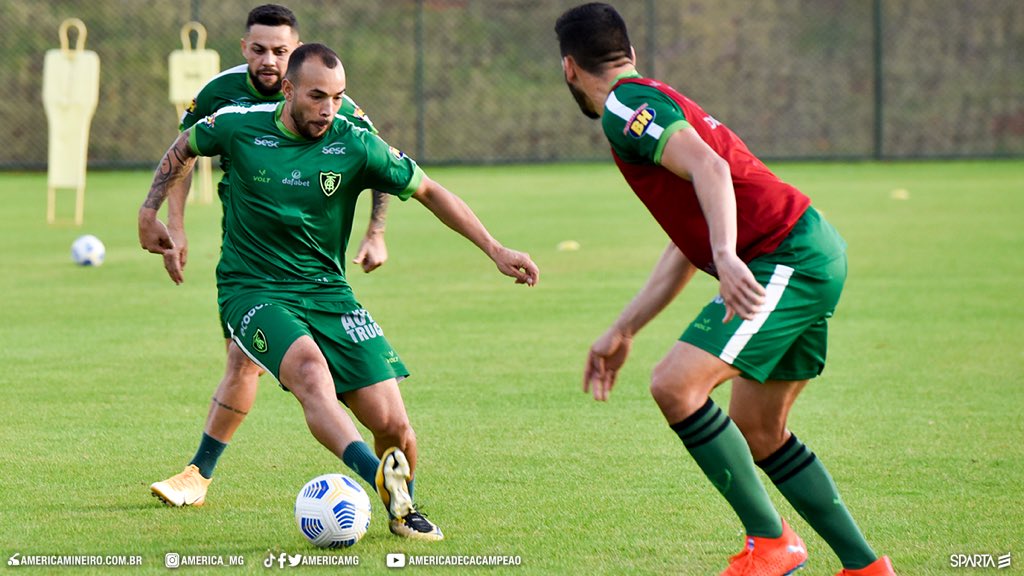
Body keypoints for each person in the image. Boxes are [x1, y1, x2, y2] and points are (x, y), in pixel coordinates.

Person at [139, 42, 538, 541]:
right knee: (309, 371)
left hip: (330, 293)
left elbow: (431, 191)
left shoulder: (354, 142)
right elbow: (182, 148)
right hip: (253, 290)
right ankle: (374, 473)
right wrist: (150, 212)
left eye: (337, 96)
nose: (328, 108)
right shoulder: (239, 125)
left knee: (395, 427)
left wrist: (495, 250)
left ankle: (402, 508)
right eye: (316, 96)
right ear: (288, 90)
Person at [555, 4, 894, 576]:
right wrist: (623, 328)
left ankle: (772, 542)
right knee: (759, 430)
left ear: (569, 68)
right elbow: (687, 247)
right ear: (630, 53)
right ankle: (865, 568)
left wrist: (728, 254)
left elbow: (711, 169)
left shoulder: (623, 106)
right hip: (805, 248)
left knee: (674, 385)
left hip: (787, 254)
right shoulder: (651, 97)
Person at [145, 4, 393, 511]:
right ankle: (201, 472)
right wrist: (176, 222)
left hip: (311, 266)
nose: (269, 60)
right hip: (251, 258)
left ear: (295, 51)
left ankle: (200, 472)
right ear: (244, 48)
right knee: (245, 358)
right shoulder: (219, 95)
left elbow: (382, 162)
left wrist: (376, 232)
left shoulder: (324, 96)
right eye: (259, 50)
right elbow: (184, 152)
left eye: (281, 51)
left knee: (248, 360)